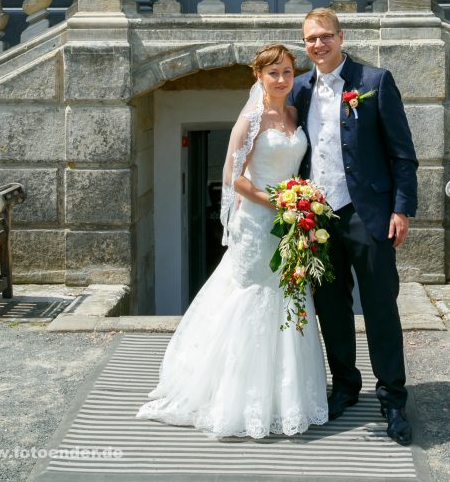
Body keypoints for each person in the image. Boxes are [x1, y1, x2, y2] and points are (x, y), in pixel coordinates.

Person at [135, 43, 328, 439]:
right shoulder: (250, 119)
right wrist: (277, 201)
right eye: (272, 73)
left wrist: (300, 203)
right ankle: (239, 395)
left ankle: (284, 396)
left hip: (293, 222)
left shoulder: (294, 114)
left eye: (287, 72)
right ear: (259, 77)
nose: (281, 79)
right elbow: (233, 176)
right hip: (259, 222)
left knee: (288, 295)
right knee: (254, 297)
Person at [291, 8, 418, 446]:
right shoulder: (299, 88)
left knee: (381, 305)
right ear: (304, 44)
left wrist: (401, 210)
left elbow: (402, 152)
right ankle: (345, 385)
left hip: (368, 213)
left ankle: (393, 397)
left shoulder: (374, 82)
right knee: (330, 305)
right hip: (317, 217)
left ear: (341, 38)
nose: (319, 45)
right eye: (310, 39)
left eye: (326, 36)